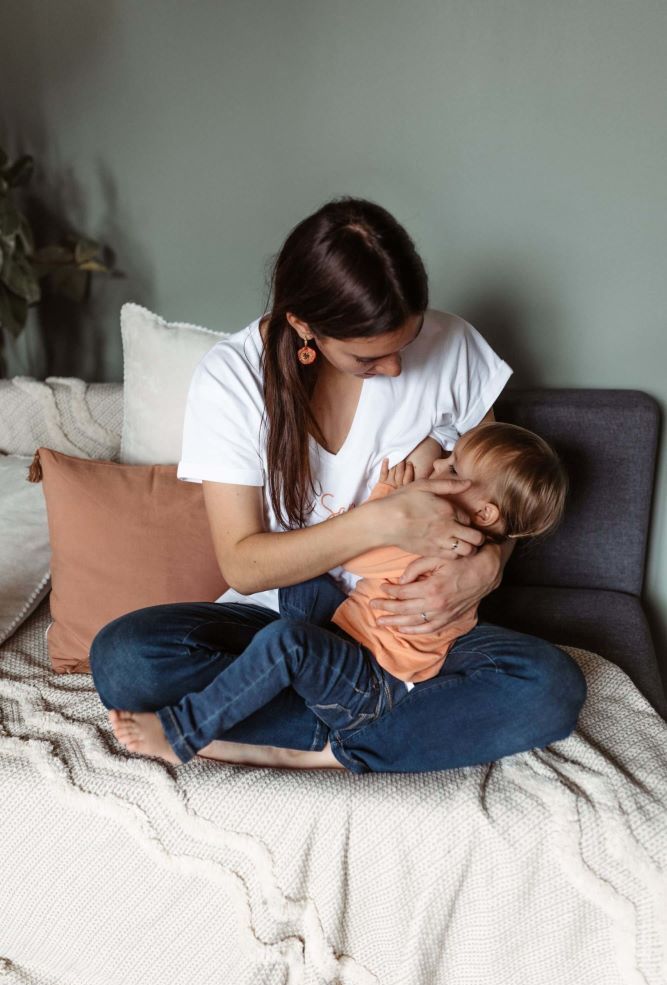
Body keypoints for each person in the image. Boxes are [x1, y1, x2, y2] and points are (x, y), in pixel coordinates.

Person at [89, 195, 587, 774]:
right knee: (125, 661)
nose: (398, 368)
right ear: (306, 327)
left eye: (406, 343)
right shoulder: (233, 380)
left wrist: (488, 566)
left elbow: (499, 491)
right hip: (289, 617)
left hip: (410, 630)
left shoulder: (452, 348)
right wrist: (381, 520)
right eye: (370, 358)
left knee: (550, 686)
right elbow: (244, 566)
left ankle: (319, 743)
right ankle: (381, 730)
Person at [103, 420, 569, 767]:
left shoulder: (439, 543)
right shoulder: (456, 529)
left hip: (371, 683)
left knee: (287, 642)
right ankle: (303, 708)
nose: (440, 463)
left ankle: (188, 731)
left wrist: (391, 505)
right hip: (346, 633)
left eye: (453, 467)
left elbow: (358, 560)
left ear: (483, 514)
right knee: (126, 656)